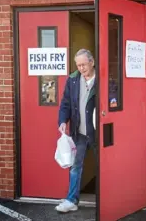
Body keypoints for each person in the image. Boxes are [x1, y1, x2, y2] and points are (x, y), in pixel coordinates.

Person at [55, 48, 96, 213]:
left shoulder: (103, 79)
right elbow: (65, 103)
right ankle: (71, 200)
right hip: (79, 133)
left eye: (84, 64)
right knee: (76, 166)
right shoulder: (72, 80)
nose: (81, 68)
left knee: (106, 166)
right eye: (78, 65)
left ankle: (114, 199)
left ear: (92, 62)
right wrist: (63, 121)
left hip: (98, 133)